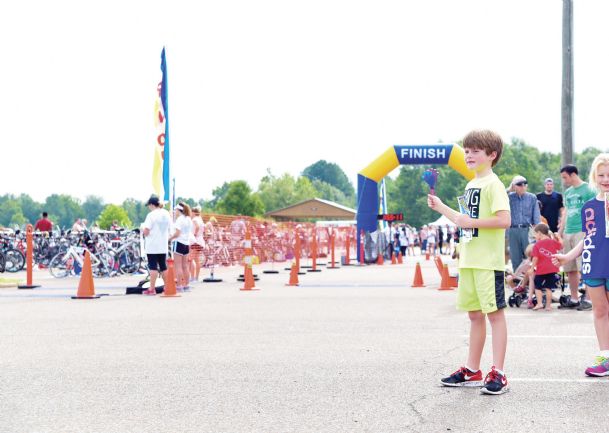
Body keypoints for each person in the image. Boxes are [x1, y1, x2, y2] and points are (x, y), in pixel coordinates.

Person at [428, 129, 511, 395]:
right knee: (475, 315)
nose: (469, 155)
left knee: (494, 316)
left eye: (475, 150)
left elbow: (504, 220)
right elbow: (465, 223)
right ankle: (471, 369)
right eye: (467, 150)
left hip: (488, 262)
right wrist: (441, 207)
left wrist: (470, 222)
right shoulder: (471, 184)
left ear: (492, 155)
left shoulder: (494, 184)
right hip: (470, 260)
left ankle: (498, 371)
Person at [553, 153, 609, 376]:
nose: (606, 179)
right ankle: (605, 358)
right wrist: (567, 257)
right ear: (595, 177)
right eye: (601, 174)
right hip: (593, 263)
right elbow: (588, 238)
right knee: (599, 310)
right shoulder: (589, 206)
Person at [558, 164, 597, 310]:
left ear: (573, 174)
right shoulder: (568, 192)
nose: (564, 180)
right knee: (570, 267)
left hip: (583, 230)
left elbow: (594, 209)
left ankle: (588, 298)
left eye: (565, 177)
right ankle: (574, 298)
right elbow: (566, 212)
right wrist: (560, 230)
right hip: (569, 231)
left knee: (584, 266)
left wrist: (592, 230)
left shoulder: (589, 189)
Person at [507, 175, 541, 271]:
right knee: (515, 257)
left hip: (527, 230)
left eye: (525, 183)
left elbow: (536, 217)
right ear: (514, 186)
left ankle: (528, 281)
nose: (523, 186)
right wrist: (509, 189)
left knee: (529, 256)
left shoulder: (532, 197)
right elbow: (498, 195)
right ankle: (517, 281)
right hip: (512, 230)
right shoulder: (509, 197)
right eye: (519, 184)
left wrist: (538, 233)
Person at [528, 223, 562, 311]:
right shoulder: (552, 241)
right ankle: (548, 306)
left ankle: (539, 304)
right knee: (548, 288)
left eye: (535, 234)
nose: (535, 236)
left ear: (539, 233)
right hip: (552, 269)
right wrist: (559, 238)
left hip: (541, 270)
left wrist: (532, 269)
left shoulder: (537, 245)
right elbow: (561, 246)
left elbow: (535, 258)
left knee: (538, 287)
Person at [142, 195, 171, 295]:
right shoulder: (166, 213)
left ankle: (152, 289)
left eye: (148, 205)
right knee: (163, 266)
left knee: (153, 267)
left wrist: (142, 229)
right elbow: (170, 228)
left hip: (152, 245)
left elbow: (146, 231)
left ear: (151, 204)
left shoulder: (151, 215)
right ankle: (167, 287)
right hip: (163, 244)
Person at [169, 203, 192, 292]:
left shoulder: (180, 220)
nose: (175, 212)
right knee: (185, 266)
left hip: (179, 242)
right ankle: (187, 285)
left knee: (178, 265)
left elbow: (177, 233)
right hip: (186, 243)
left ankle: (179, 285)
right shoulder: (188, 219)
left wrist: (170, 238)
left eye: (176, 210)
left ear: (179, 210)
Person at [189, 206, 205, 282]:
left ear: (193, 212)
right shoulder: (201, 219)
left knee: (191, 259)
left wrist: (194, 234)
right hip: (200, 241)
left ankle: (192, 277)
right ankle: (196, 277)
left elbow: (197, 226)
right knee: (196, 259)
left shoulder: (194, 219)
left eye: (191, 212)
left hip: (196, 241)